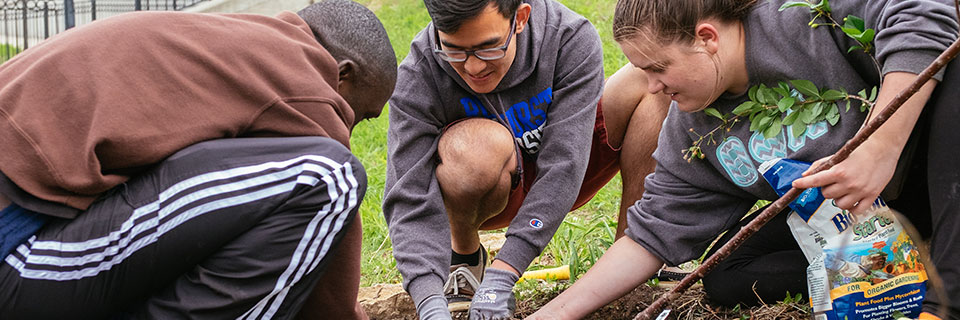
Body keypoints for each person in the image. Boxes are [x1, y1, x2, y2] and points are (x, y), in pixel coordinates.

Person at [531, 0, 960, 319]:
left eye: (658, 68)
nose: (652, 87)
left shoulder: (802, 16)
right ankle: (912, 263)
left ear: (707, 38)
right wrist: (557, 313)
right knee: (728, 275)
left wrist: (878, 147)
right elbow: (652, 234)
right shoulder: (692, 128)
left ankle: (946, 302)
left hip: (935, 171)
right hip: (866, 215)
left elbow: (926, 16)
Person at [0, 0, 396, 319]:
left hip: (28, 231)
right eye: (361, 115)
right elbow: (331, 294)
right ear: (342, 75)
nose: (349, 128)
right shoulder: (303, 79)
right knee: (332, 176)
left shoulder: (230, 46)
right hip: (16, 251)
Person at [382, 0, 668, 318]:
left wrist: (505, 272)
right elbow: (408, 196)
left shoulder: (568, 36)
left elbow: (565, 162)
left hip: (573, 166)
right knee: (474, 149)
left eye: (489, 48)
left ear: (520, 18)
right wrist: (428, 301)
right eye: (455, 51)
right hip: (488, 187)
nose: (473, 67)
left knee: (648, 80)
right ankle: (465, 260)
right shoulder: (418, 72)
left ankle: (633, 252)